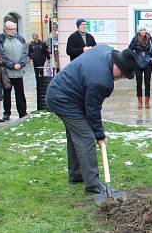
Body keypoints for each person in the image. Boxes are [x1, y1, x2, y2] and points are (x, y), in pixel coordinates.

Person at [46, 45, 137, 194]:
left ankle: (76, 175)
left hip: (68, 93)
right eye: (122, 73)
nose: (121, 78)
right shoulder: (101, 81)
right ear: (116, 64)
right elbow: (93, 111)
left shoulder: (105, 50)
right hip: (62, 98)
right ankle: (93, 185)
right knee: (86, 137)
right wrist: (99, 136)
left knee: (76, 135)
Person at [0, 21, 27, 120]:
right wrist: (11, 65)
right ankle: (7, 113)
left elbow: (25, 52)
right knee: (7, 94)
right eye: (11, 29)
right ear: (5, 29)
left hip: (19, 72)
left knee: (20, 93)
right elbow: (1, 54)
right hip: (7, 72)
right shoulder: (0, 39)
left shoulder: (20, 39)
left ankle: (22, 112)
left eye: (14, 29)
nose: (13, 31)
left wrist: (21, 64)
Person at [129, 24, 152, 109]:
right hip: (138, 63)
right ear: (138, 31)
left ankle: (147, 102)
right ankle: (140, 101)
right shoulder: (135, 39)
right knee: (138, 83)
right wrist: (134, 58)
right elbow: (130, 50)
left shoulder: (150, 38)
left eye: (144, 30)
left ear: (146, 31)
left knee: (147, 82)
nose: (143, 31)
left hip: (148, 63)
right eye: (141, 30)